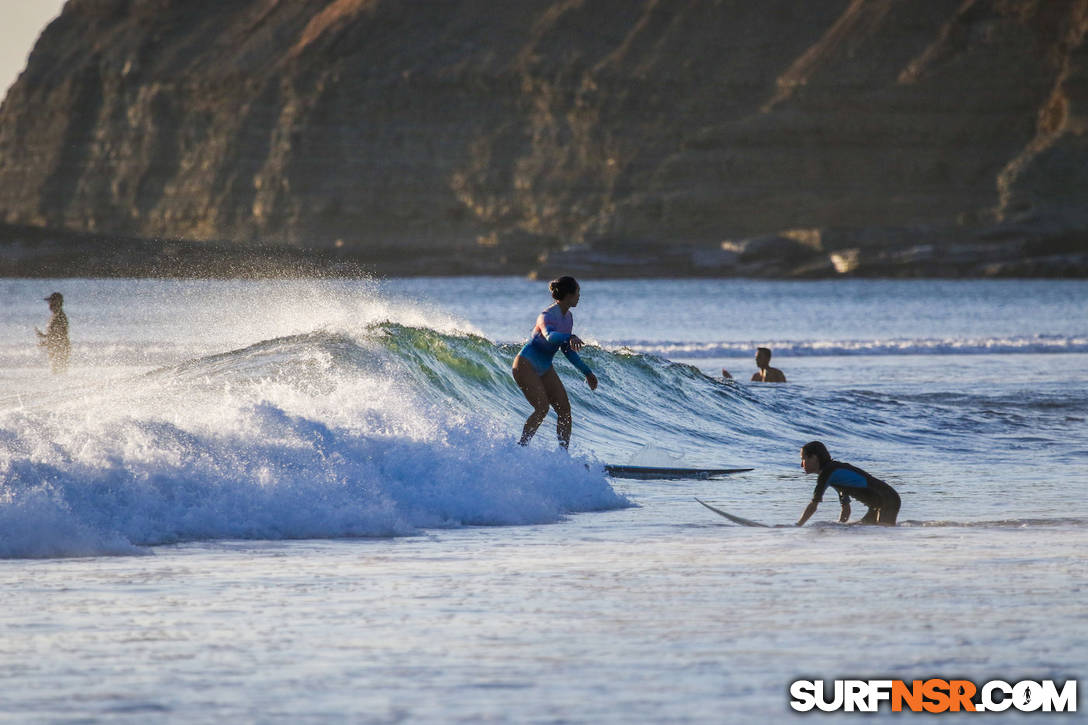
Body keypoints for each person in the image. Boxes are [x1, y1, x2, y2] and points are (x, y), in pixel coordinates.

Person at [512, 276, 598, 449]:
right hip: (525, 364)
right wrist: (569, 336)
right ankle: (521, 448)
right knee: (542, 408)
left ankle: (562, 455)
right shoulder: (546, 316)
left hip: (545, 367)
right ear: (568, 294)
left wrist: (587, 372)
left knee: (565, 411)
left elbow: (567, 350)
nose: (579, 296)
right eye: (577, 292)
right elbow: (550, 336)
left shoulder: (568, 318)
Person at [796, 441, 900, 526]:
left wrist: (798, 525)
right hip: (879, 504)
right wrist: (840, 527)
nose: (801, 464)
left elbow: (813, 506)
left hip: (887, 500)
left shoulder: (828, 473)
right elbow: (846, 510)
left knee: (881, 533)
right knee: (861, 527)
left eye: (803, 459)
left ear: (814, 457)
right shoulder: (834, 475)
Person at [35, 292, 70, 374]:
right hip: (57, 348)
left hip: (60, 349)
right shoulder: (56, 315)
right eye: (49, 302)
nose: (49, 305)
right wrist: (44, 336)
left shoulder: (59, 316)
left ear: (57, 303)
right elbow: (55, 334)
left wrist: (47, 341)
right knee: (57, 372)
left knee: (59, 373)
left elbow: (60, 335)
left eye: (51, 302)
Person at [721, 347, 786, 382]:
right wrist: (730, 379)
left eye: (759, 357)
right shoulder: (755, 376)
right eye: (756, 357)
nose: (756, 359)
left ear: (768, 358)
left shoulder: (777, 373)